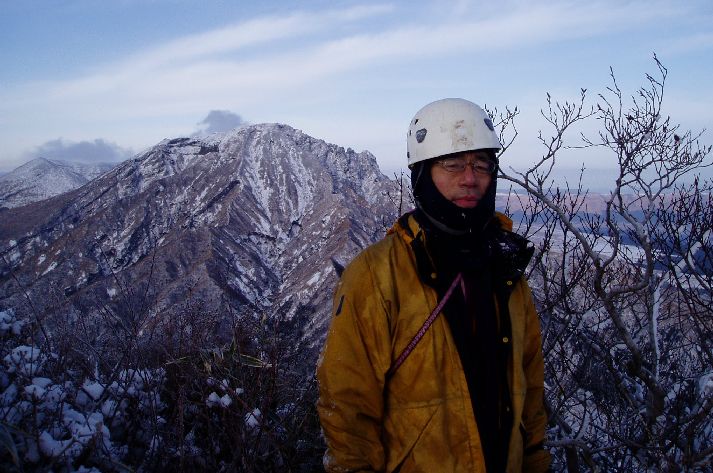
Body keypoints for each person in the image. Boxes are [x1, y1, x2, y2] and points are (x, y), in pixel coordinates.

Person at [317, 98, 551, 472]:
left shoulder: (506, 269)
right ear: (423, 174)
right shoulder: (376, 275)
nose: (470, 178)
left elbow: (531, 392)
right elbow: (347, 410)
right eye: (452, 164)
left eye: (482, 164)